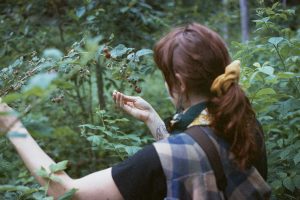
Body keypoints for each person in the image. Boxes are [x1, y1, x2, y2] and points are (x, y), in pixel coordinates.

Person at [0, 23, 270, 200]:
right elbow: (201, 158)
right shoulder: (243, 123)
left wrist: (13, 126)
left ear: (180, 83)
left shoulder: (156, 160)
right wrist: (153, 120)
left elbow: (67, 190)